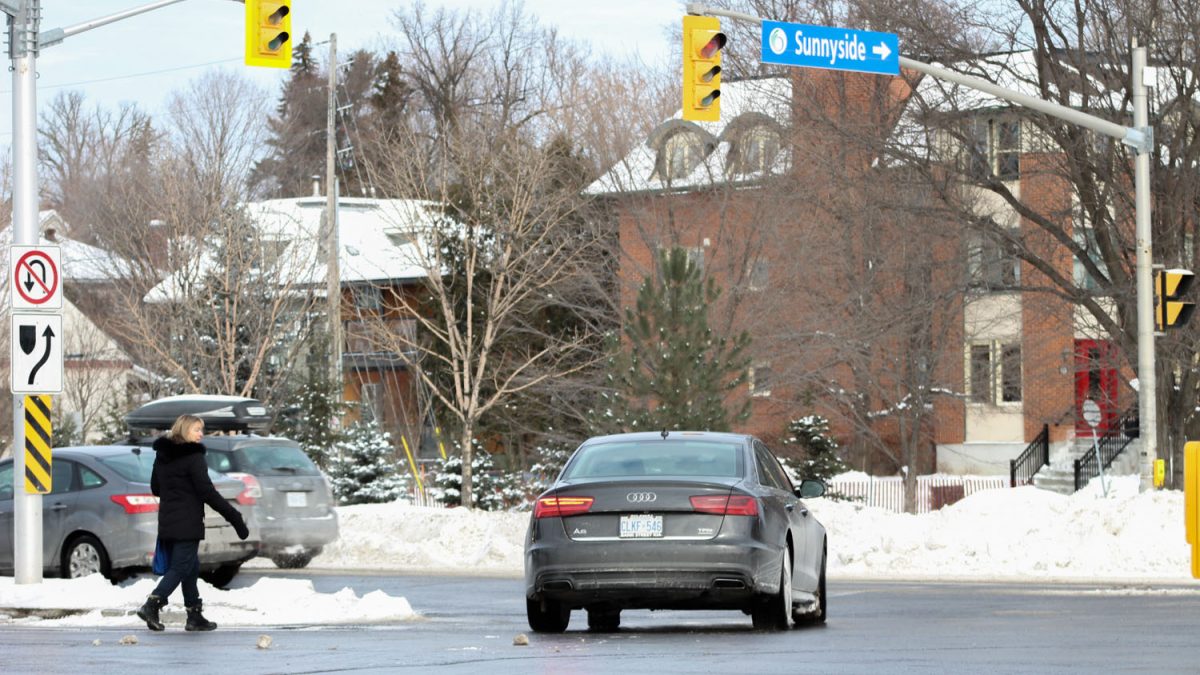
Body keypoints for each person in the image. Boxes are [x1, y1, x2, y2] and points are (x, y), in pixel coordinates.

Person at [136, 414, 250, 632]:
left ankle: (194, 615)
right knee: (180, 567)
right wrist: (234, 518)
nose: (201, 434)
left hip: (169, 520)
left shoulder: (162, 455)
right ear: (185, 430)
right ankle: (152, 603)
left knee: (190, 566)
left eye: (202, 430)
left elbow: (156, 488)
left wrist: (176, 490)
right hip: (187, 521)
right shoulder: (194, 457)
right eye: (197, 429)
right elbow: (207, 492)